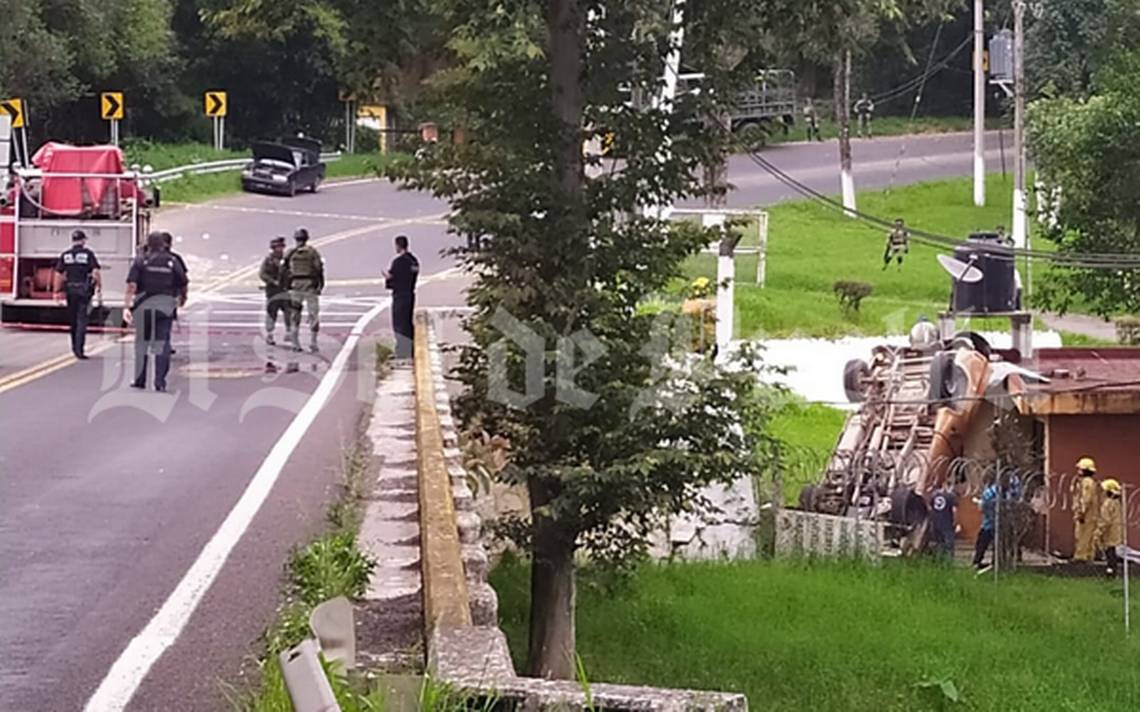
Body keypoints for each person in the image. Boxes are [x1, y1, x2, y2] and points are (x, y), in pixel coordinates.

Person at [124, 231, 188, 392]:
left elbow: (132, 285)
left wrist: (126, 306)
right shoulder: (172, 261)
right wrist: (182, 298)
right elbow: (183, 282)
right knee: (163, 343)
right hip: (165, 306)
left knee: (141, 344)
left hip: (144, 306)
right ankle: (160, 381)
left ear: (148, 244)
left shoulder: (141, 261)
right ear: (163, 244)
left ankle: (140, 379)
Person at [53, 229, 102, 359]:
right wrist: (98, 286)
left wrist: (56, 291)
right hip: (83, 291)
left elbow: (58, 274)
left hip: (70, 290)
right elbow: (95, 272)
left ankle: (74, 347)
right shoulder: (88, 254)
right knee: (82, 320)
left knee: (73, 320)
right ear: (83, 241)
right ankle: (79, 349)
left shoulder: (66, 255)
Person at [284, 227, 324, 353]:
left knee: (295, 314)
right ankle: (313, 342)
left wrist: (287, 285)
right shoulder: (312, 252)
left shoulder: (290, 253)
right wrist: (320, 284)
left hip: (296, 286)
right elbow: (318, 269)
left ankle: (295, 343)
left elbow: (284, 269)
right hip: (309, 285)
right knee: (313, 314)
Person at [383, 234, 420, 359]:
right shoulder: (414, 261)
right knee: (407, 322)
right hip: (410, 294)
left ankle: (402, 351)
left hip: (400, 295)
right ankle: (410, 348)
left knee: (399, 324)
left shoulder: (398, 262)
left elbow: (393, 280)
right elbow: (414, 275)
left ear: (398, 246)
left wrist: (389, 278)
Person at [260, 236, 289, 346]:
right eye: (278, 247)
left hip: (285, 291)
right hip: (273, 291)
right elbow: (262, 274)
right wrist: (272, 281)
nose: (280, 249)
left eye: (281, 247)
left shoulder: (286, 260)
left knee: (289, 312)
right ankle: (270, 335)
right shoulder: (269, 260)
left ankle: (289, 333)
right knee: (272, 314)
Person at [1072, 457, 1101, 562]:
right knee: (1089, 536)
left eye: (1080, 469)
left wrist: (1081, 513)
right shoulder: (1090, 482)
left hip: (1086, 515)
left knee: (1082, 535)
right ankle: (1089, 556)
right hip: (1091, 515)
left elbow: (1086, 499)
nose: (1078, 471)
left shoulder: (1086, 482)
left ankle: (1080, 557)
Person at [1096, 478, 1124, 577]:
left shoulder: (1107, 504)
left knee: (1109, 552)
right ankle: (1112, 570)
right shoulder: (1116, 502)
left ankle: (1110, 571)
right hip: (1116, 529)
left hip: (1109, 531)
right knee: (1112, 551)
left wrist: (1099, 531)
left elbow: (1105, 520)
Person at [928, 481, 961, 560]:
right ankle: (948, 562)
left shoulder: (934, 495)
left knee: (938, 543)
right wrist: (955, 522)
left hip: (936, 523)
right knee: (949, 545)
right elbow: (954, 510)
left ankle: (938, 561)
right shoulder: (951, 496)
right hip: (947, 523)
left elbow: (930, 508)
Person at [973, 473, 998, 572]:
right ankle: (995, 562)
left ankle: (977, 562)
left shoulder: (989, 492)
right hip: (999, 524)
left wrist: (979, 503)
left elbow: (982, 508)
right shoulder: (1003, 491)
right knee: (997, 546)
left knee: (981, 544)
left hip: (988, 524)